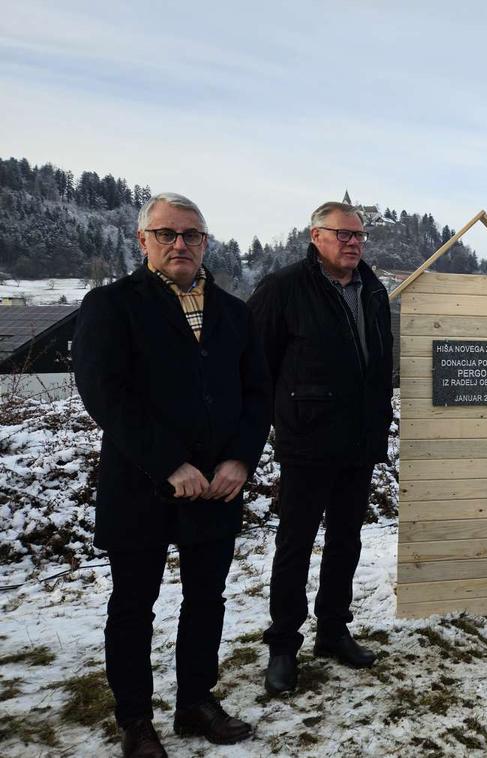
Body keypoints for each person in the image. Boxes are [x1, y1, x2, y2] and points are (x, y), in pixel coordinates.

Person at [73, 192, 271, 756]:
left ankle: (196, 703)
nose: (180, 244)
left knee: (207, 599)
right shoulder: (111, 305)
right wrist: (167, 462)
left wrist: (240, 459)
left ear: (206, 242)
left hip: (218, 485)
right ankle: (136, 720)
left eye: (192, 235)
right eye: (167, 234)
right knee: (134, 606)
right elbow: (105, 394)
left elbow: (257, 392)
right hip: (141, 483)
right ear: (142, 241)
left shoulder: (235, 312)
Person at [248, 201, 393, 696]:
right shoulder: (283, 288)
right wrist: (276, 422)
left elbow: (377, 363)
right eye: (342, 234)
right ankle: (283, 645)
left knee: (346, 541)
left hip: (358, 440)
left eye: (359, 235)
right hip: (307, 440)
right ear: (316, 236)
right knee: (295, 544)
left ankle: (333, 630)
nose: (353, 242)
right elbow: (255, 367)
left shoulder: (372, 290)